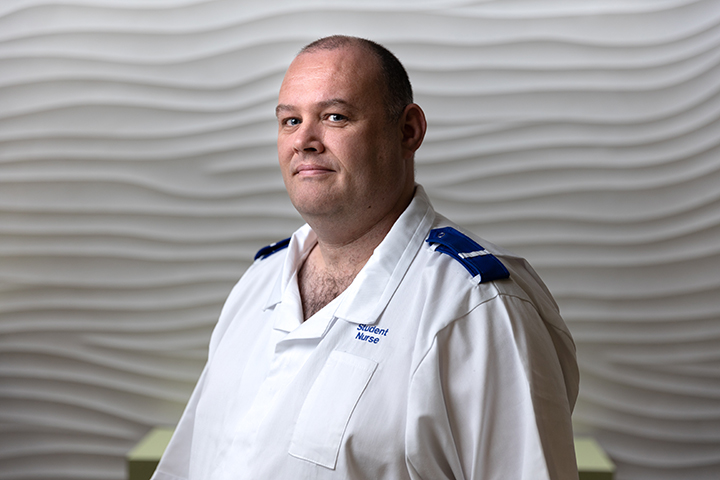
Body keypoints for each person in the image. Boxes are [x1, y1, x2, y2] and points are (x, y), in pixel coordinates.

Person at [152, 35, 579, 480]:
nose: (304, 141)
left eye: (334, 117)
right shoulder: (258, 282)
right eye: (290, 120)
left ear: (408, 131)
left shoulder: (477, 310)